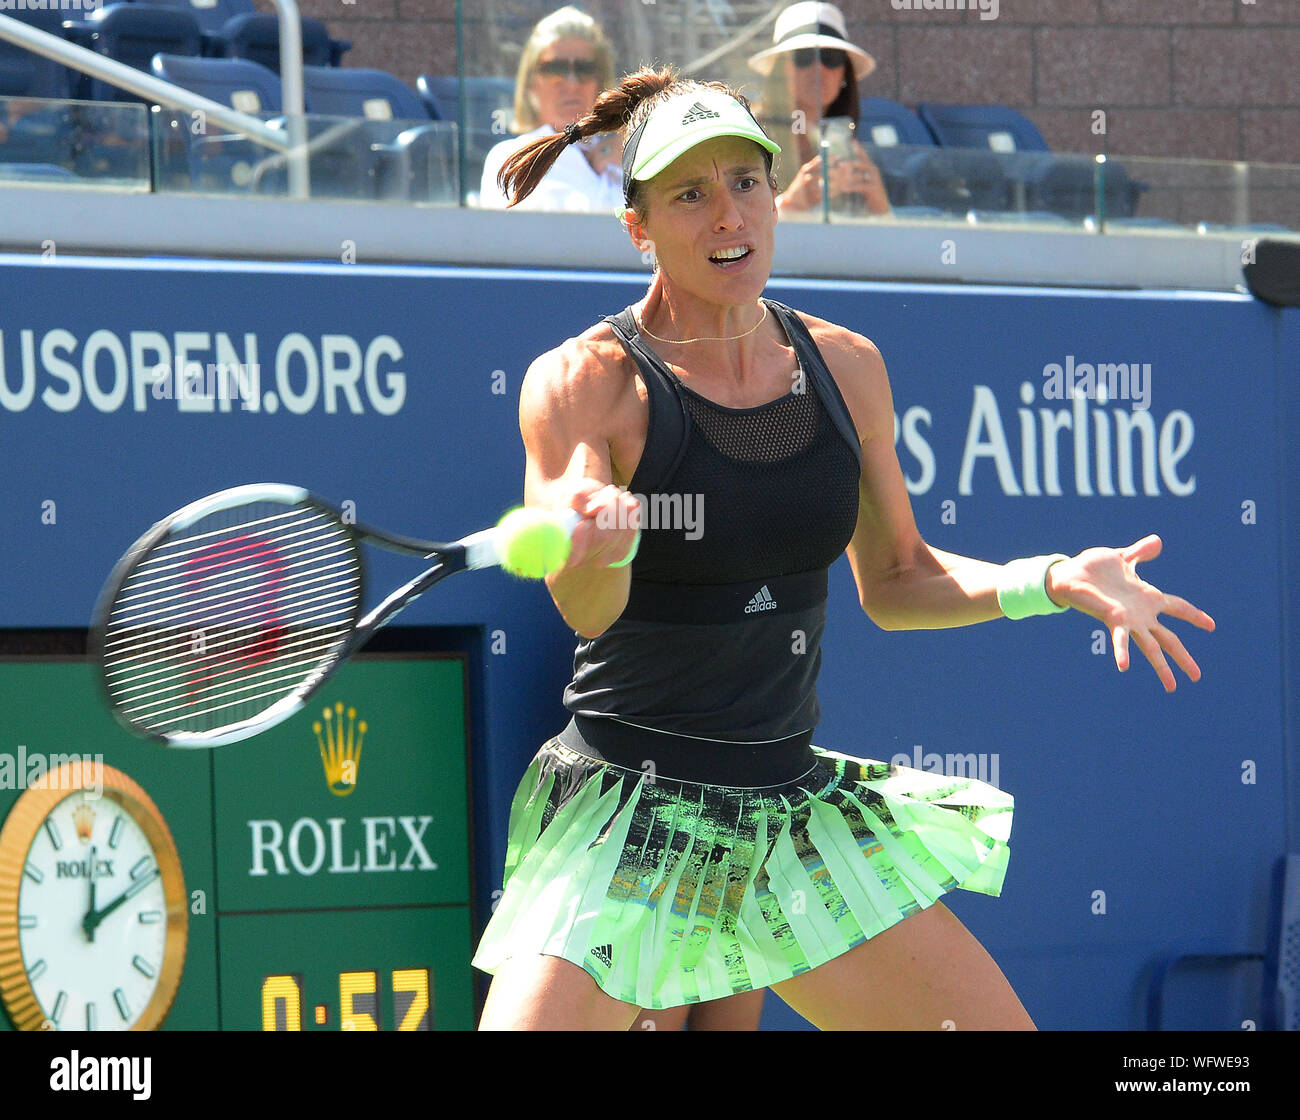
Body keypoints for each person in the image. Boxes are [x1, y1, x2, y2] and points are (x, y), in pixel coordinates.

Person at [470, 65, 1215, 1030]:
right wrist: (599, 545)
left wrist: (1053, 578)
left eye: (746, 181)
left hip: (788, 814)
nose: (727, 214)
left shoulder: (846, 366)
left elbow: (900, 580)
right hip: (632, 818)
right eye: (688, 195)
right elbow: (586, 609)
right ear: (638, 227)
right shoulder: (585, 383)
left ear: (776, 194)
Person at [748, 2, 891, 217]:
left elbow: (886, 244)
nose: (818, 68)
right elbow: (736, 228)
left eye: (830, 57)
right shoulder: (749, 137)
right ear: (782, 69)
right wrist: (791, 205)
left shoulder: (854, 146)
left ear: (844, 72)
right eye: (804, 56)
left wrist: (880, 205)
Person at [477, 6, 622, 212]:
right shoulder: (512, 159)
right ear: (531, 83)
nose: (572, 82)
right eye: (556, 68)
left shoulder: (626, 156)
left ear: (600, 83)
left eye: (584, 69)